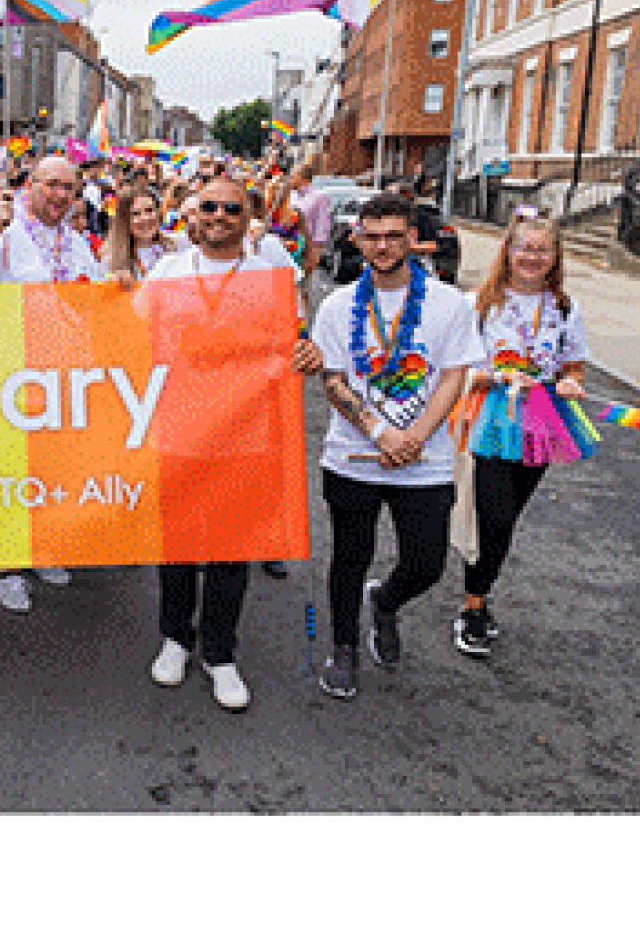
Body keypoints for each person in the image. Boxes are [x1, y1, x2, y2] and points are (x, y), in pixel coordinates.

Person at [141, 175, 320, 710]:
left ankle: (221, 653)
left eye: (231, 209)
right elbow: (132, 337)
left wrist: (305, 354)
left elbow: (294, 340)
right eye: (209, 207)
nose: (219, 216)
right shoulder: (167, 270)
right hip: (180, 426)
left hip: (246, 431)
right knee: (176, 543)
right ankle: (175, 638)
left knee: (229, 551)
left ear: (248, 219)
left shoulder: (272, 274)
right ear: (192, 215)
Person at [311, 191, 484, 701]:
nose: (382, 246)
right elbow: (333, 379)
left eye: (393, 236)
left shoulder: (449, 304)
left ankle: (384, 604)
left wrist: (415, 438)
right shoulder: (337, 306)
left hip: (424, 462)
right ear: (357, 239)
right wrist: (381, 434)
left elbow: (455, 376)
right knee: (349, 556)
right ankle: (343, 648)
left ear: (413, 239)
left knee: (427, 563)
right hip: (353, 457)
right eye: (373, 236)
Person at [0, 155, 102, 612]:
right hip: (8, 376)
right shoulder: (6, 231)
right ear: (31, 185)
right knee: (10, 471)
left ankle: (42, 549)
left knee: (50, 470)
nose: (60, 195)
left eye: (69, 188)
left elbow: (95, 302)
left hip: (61, 380)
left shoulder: (78, 244)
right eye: (52, 185)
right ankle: (7, 566)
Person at [451, 210, 593, 658]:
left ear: (555, 256)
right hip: (490, 414)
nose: (531, 257)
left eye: (541, 249)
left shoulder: (566, 307)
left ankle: (480, 594)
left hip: (542, 418)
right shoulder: (481, 303)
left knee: (507, 518)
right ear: (508, 251)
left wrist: (570, 380)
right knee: (493, 515)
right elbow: (457, 364)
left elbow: (572, 362)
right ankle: (472, 608)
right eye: (524, 247)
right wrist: (491, 376)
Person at [103, 184, 183, 286]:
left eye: (149, 210)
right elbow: (103, 281)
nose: (145, 218)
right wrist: (114, 280)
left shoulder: (178, 244)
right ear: (124, 220)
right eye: (135, 214)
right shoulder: (111, 256)